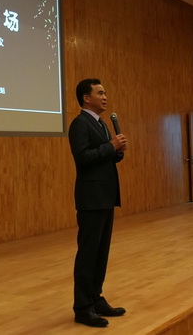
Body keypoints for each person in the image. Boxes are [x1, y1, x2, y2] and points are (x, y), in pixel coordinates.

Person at [68, 78, 128, 328]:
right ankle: (82, 308)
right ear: (86, 98)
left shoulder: (101, 123)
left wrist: (117, 151)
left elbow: (104, 156)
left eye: (105, 93)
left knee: (101, 253)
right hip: (91, 198)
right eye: (100, 93)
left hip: (105, 196)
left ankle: (96, 298)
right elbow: (82, 158)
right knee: (88, 254)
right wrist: (111, 146)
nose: (105, 97)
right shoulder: (79, 124)